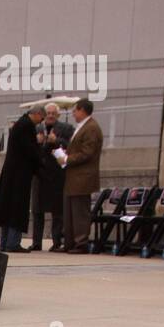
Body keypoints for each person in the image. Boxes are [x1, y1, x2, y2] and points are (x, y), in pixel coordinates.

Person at [0, 103, 46, 252]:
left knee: (7, 209)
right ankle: (12, 243)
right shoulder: (27, 126)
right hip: (20, 175)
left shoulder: (20, 124)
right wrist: (41, 160)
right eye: (42, 117)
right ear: (37, 114)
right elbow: (30, 150)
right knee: (16, 208)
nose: (41, 121)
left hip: (11, 174)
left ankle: (5, 242)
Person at [58, 98, 103, 254]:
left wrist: (67, 159)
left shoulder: (91, 128)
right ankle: (69, 242)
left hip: (83, 177)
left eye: (75, 110)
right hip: (73, 177)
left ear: (83, 110)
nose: (73, 113)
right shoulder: (81, 127)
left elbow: (87, 153)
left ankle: (81, 242)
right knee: (69, 211)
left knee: (79, 212)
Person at [29, 102, 73, 250]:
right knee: (37, 211)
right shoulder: (36, 128)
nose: (50, 115)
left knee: (57, 211)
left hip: (57, 175)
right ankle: (36, 243)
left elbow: (71, 146)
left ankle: (56, 242)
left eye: (54, 113)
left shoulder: (66, 128)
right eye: (48, 113)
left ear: (58, 115)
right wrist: (37, 142)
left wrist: (57, 141)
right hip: (39, 174)